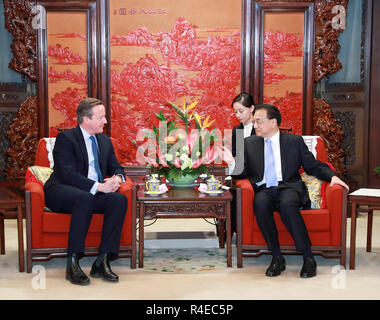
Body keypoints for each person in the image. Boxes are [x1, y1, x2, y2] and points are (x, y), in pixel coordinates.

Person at [223, 104, 349, 278]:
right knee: (260, 203)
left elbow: (312, 166)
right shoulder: (249, 143)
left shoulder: (294, 141)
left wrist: (332, 176)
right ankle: (276, 257)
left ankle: (308, 257)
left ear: (273, 122)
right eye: (254, 122)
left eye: (258, 121)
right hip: (265, 189)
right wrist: (232, 163)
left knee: (288, 204)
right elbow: (242, 172)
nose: (255, 126)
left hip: (289, 186)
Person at [44, 98, 127, 285]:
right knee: (84, 198)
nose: (105, 121)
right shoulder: (66, 138)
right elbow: (67, 174)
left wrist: (116, 179)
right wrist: (99, 187)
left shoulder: (104, 141)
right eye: (101, 117)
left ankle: (102, 261)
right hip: (61, 190)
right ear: (85, 119)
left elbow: (117, 167)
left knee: (118, 200)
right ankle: (72, 262)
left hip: (90, 194)